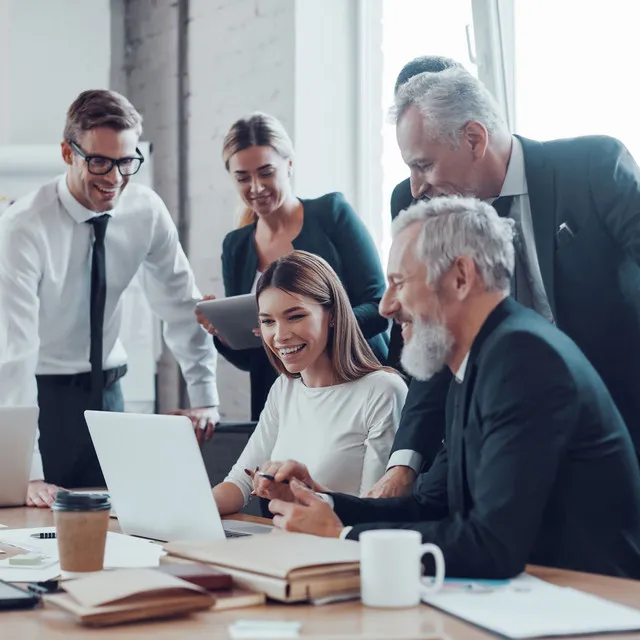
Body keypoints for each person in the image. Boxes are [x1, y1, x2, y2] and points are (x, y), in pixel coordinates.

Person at [261, 197, 640, 580]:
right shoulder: (478, 358)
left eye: (399, 283)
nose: (386, 306)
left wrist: (342, 536)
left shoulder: (523, 358)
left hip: (593, 599)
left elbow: (492, 545)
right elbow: (431, 506)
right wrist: (323, 504)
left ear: (460, 276)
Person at [372, 64, 640, 499]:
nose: (416, 187)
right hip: (491, 435)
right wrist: (406, 462)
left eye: (424, 165)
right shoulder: (420, 202)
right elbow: (429, 333)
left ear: (475, 139)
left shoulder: (592, 167)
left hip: (615, 426)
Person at [0, 90, 220, 507]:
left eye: (126, 162)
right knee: (45, 530)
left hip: (110, 398)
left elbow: (179, 304)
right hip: (45, 402)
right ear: (68, 153)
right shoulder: (23, 228)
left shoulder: (145, 210)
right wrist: (25, 473)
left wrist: (204, 396)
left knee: (123, 520)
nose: (115, 178)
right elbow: (15, 354)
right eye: (99, 162)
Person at [196, 112, 389, 421]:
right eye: (243, 177)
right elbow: (254, 357)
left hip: (353, 387)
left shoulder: (331, 214)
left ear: (289, 164)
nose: (256, 187)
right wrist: (221, 334)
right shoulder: (236, 246)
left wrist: (314, 328)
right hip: (284, 405)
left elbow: (380, 308)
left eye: (266, 172)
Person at [212, 251, 406, 516]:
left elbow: (374, 511)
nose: (279, 336)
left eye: (295, 317)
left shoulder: (383, 391)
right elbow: (239, 483)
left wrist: (303, 494)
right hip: (282, 547)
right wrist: (185, 510)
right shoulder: (284, 389)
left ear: (333, 314)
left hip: (340, 552)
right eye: (268, 321)